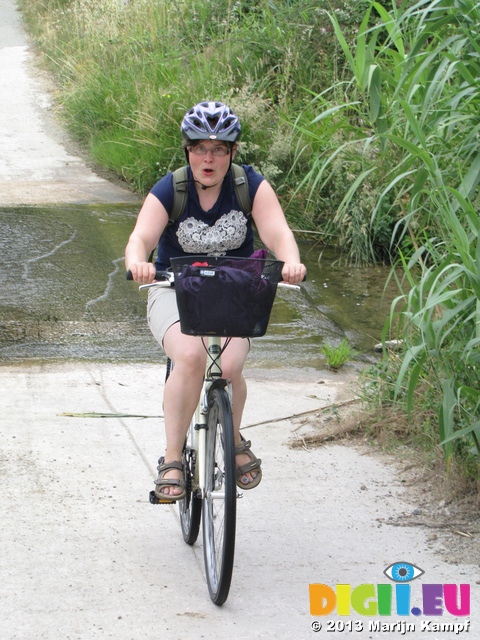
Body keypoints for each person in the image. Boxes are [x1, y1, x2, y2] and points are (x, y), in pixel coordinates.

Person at [125, 101, 306, 499]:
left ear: (232, 152)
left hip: (232, 291)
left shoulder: (249, 186)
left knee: (229, 364)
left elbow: (278, 233)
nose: (209, 157)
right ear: (187, 150)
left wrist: (290, 261)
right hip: (174, 289)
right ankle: (173, 457)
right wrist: (138, 263)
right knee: (190, 357)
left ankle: (233, 434)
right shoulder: (171, 188)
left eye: (220, 148)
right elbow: (140, 237)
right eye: (200, 148)